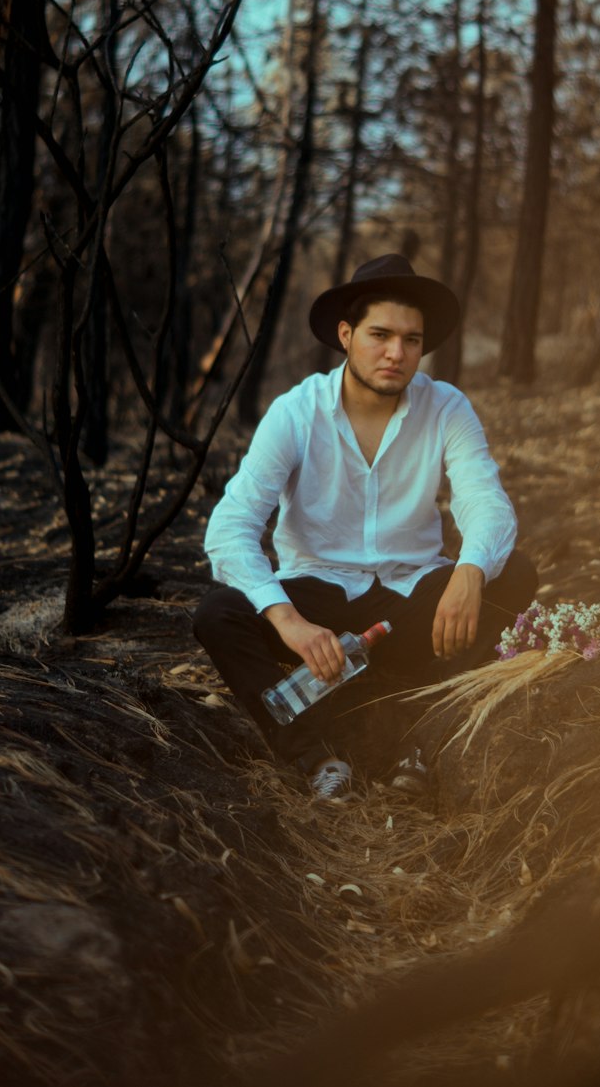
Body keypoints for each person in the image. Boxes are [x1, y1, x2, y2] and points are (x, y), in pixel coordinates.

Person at [192, 254, 538, 803]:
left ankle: (427, 737)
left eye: (411, 339)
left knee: (513, 574)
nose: (396, 353)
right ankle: (315, 757)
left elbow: (486, 502)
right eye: (380, 335)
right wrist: (289, 623)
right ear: (346, 335)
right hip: (319, 604)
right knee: (218, 613)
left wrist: (469, 573)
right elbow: (230, 527)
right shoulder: (297, 411)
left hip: (411, 604)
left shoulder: (446, 406)